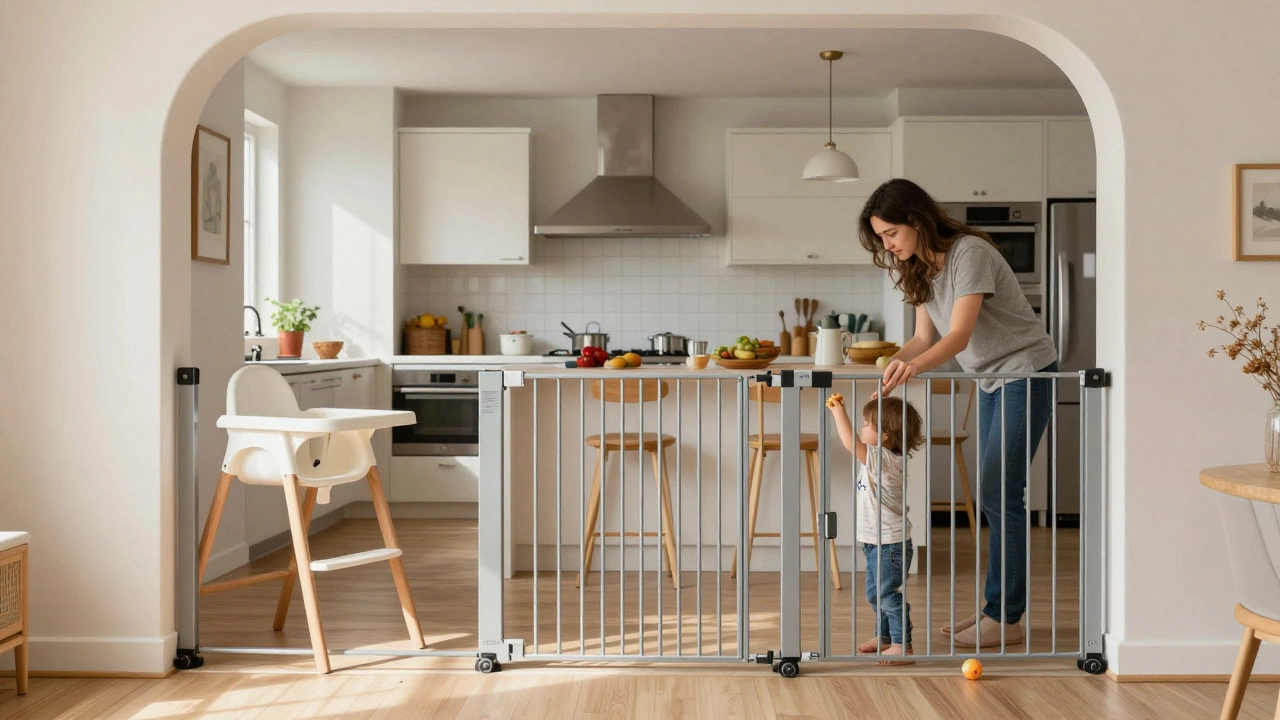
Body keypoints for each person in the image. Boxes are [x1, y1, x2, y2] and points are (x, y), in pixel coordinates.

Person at [858, 178, 1059, 648]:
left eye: (891, 233)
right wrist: (888, 367)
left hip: (1025, 371)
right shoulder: (921, 270)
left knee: (999, 491)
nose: (888, 245)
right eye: (882, 238)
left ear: (917, 220)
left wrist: (908, 369)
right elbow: (923, 340)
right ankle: (997, 608)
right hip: (991, 378)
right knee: (996, 492)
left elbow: (959, 337)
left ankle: (1006, 617)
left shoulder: (969, 253)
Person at [827, 393, 923, 666]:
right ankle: (884, 638)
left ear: (884, 437)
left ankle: (902, 644)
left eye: (867, 424)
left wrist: (838, 412)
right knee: (875, 593)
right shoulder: (880, 459)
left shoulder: (885, 460)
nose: (862, 428)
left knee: (885, 594)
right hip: (875, 542)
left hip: (889, 544)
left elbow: (850, 443)